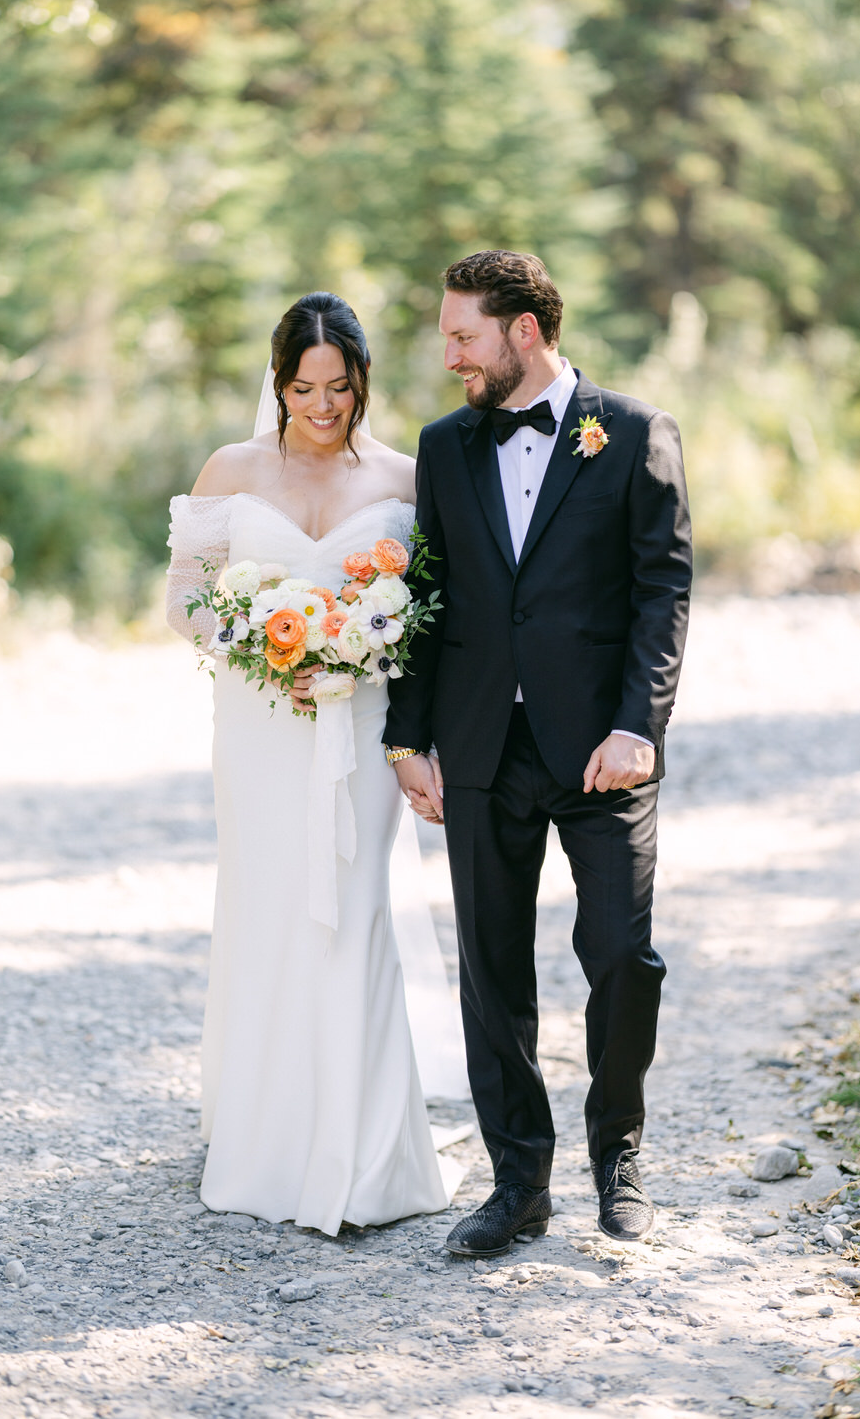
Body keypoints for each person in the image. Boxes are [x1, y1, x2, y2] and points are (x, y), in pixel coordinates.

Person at [385, 250, 693, 1253]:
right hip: (478, 745)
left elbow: (662, 591)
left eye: (463, 336)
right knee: (489, 970)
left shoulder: (634, 432)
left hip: (602, 749)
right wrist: (406, 733)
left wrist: (637, 726)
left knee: (619, 956)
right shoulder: (444, 447)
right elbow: (423, 599)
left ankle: (619, 1154)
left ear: (523, 331)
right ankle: (518, 1180)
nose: (449, 356)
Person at [165, 291, 465, 1237]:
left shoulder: (409, 478)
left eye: (339, 387)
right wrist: (266, 646)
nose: (323, 406)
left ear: (363, 380)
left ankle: (367, 1149)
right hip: (261, 723)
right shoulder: (233, 467)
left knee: (355, 902)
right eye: (303, 387)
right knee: (269, 903)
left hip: (365, 722)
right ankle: (269, 1132)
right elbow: (185, 601)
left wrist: (354, 657)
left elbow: (436, 611)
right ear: (278, 381)